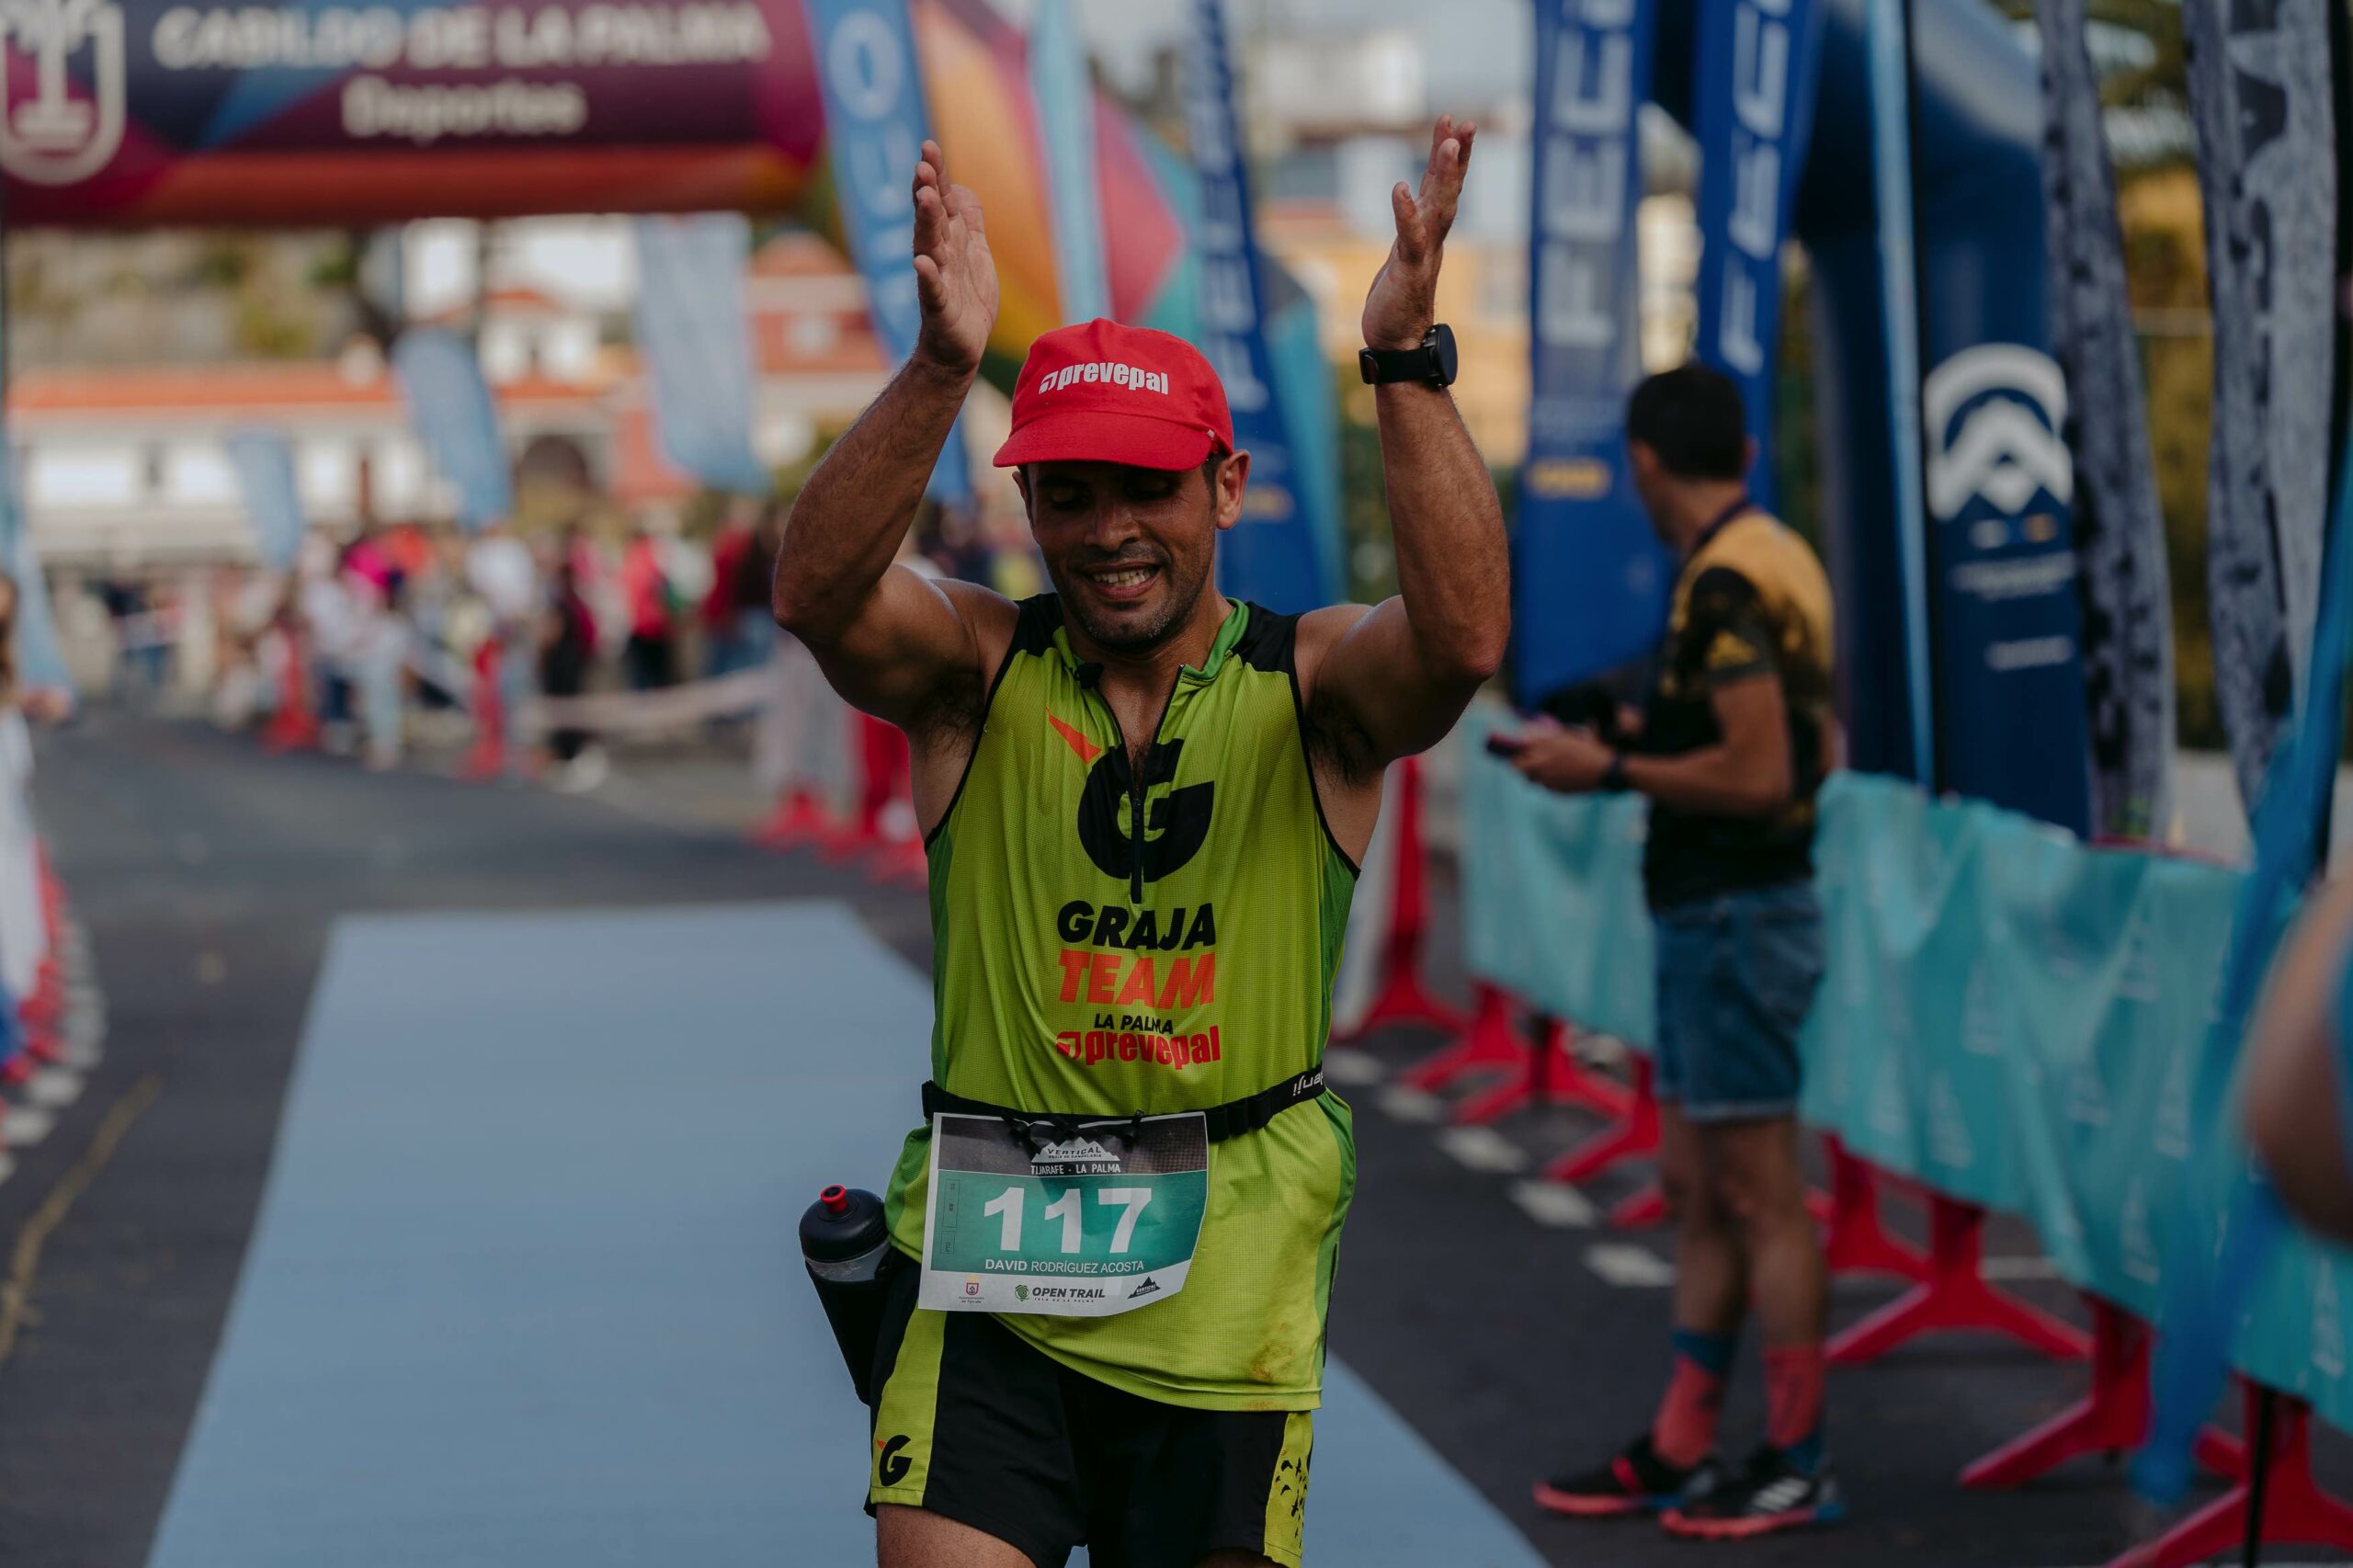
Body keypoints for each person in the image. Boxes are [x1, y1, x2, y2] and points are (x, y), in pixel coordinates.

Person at [774, 124, 1506, 1568]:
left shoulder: (1310, 687)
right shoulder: (975, 671)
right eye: (1069, 493)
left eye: (1147, 488)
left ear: (1225, 486)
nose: (1109, 530)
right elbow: (817, 595)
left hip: (1229, 1281)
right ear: (1027, 504)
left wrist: (1403, 367)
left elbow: (1463, 641)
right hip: (990, 1270)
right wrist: (941, 367)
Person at [1509, 363, 1842, 1538]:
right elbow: (1813, 744)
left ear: (1645, 462)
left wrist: (1607, 767)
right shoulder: (1777, 554)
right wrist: (1645, 727)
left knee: (1758, 1193)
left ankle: (1797, 1457)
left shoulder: (1721, 583)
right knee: (1704, 1189)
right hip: (1735, 910)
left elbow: (1760, 772)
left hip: (1735, 913)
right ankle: (1683, 1442)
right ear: (1743, 454)